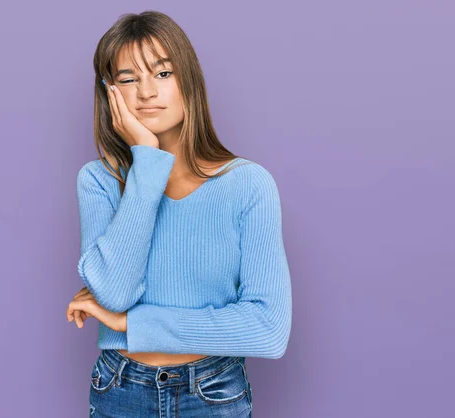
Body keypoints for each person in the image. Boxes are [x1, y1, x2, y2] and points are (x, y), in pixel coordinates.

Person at [65, 10, 292, 417]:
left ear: (189, 79)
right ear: (110, 92)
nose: (146, 92)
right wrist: (147, 162)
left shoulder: (248, 185)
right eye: (128, 78)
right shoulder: (97, 182)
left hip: (213, 393)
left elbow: (268, 330)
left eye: (163, 73)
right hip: (120, 390)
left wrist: (134, 326)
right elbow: (115, 293)